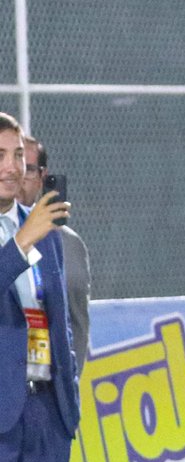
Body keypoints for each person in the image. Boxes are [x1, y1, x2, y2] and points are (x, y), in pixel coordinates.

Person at [0, 112, 79, 462]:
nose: (11, 167)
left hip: (46, 413)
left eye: (17, 156)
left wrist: (68, 407)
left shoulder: (46, 230)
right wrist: (19, 244)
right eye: (0, 156)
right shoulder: (34, 232)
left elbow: (60, 318)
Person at [19, 137, 91, 369]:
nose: (17, 176)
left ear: (42, 177)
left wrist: (69, 385)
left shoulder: (66, 243)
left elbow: (77, 325)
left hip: (43, 389)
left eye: (27, 169)